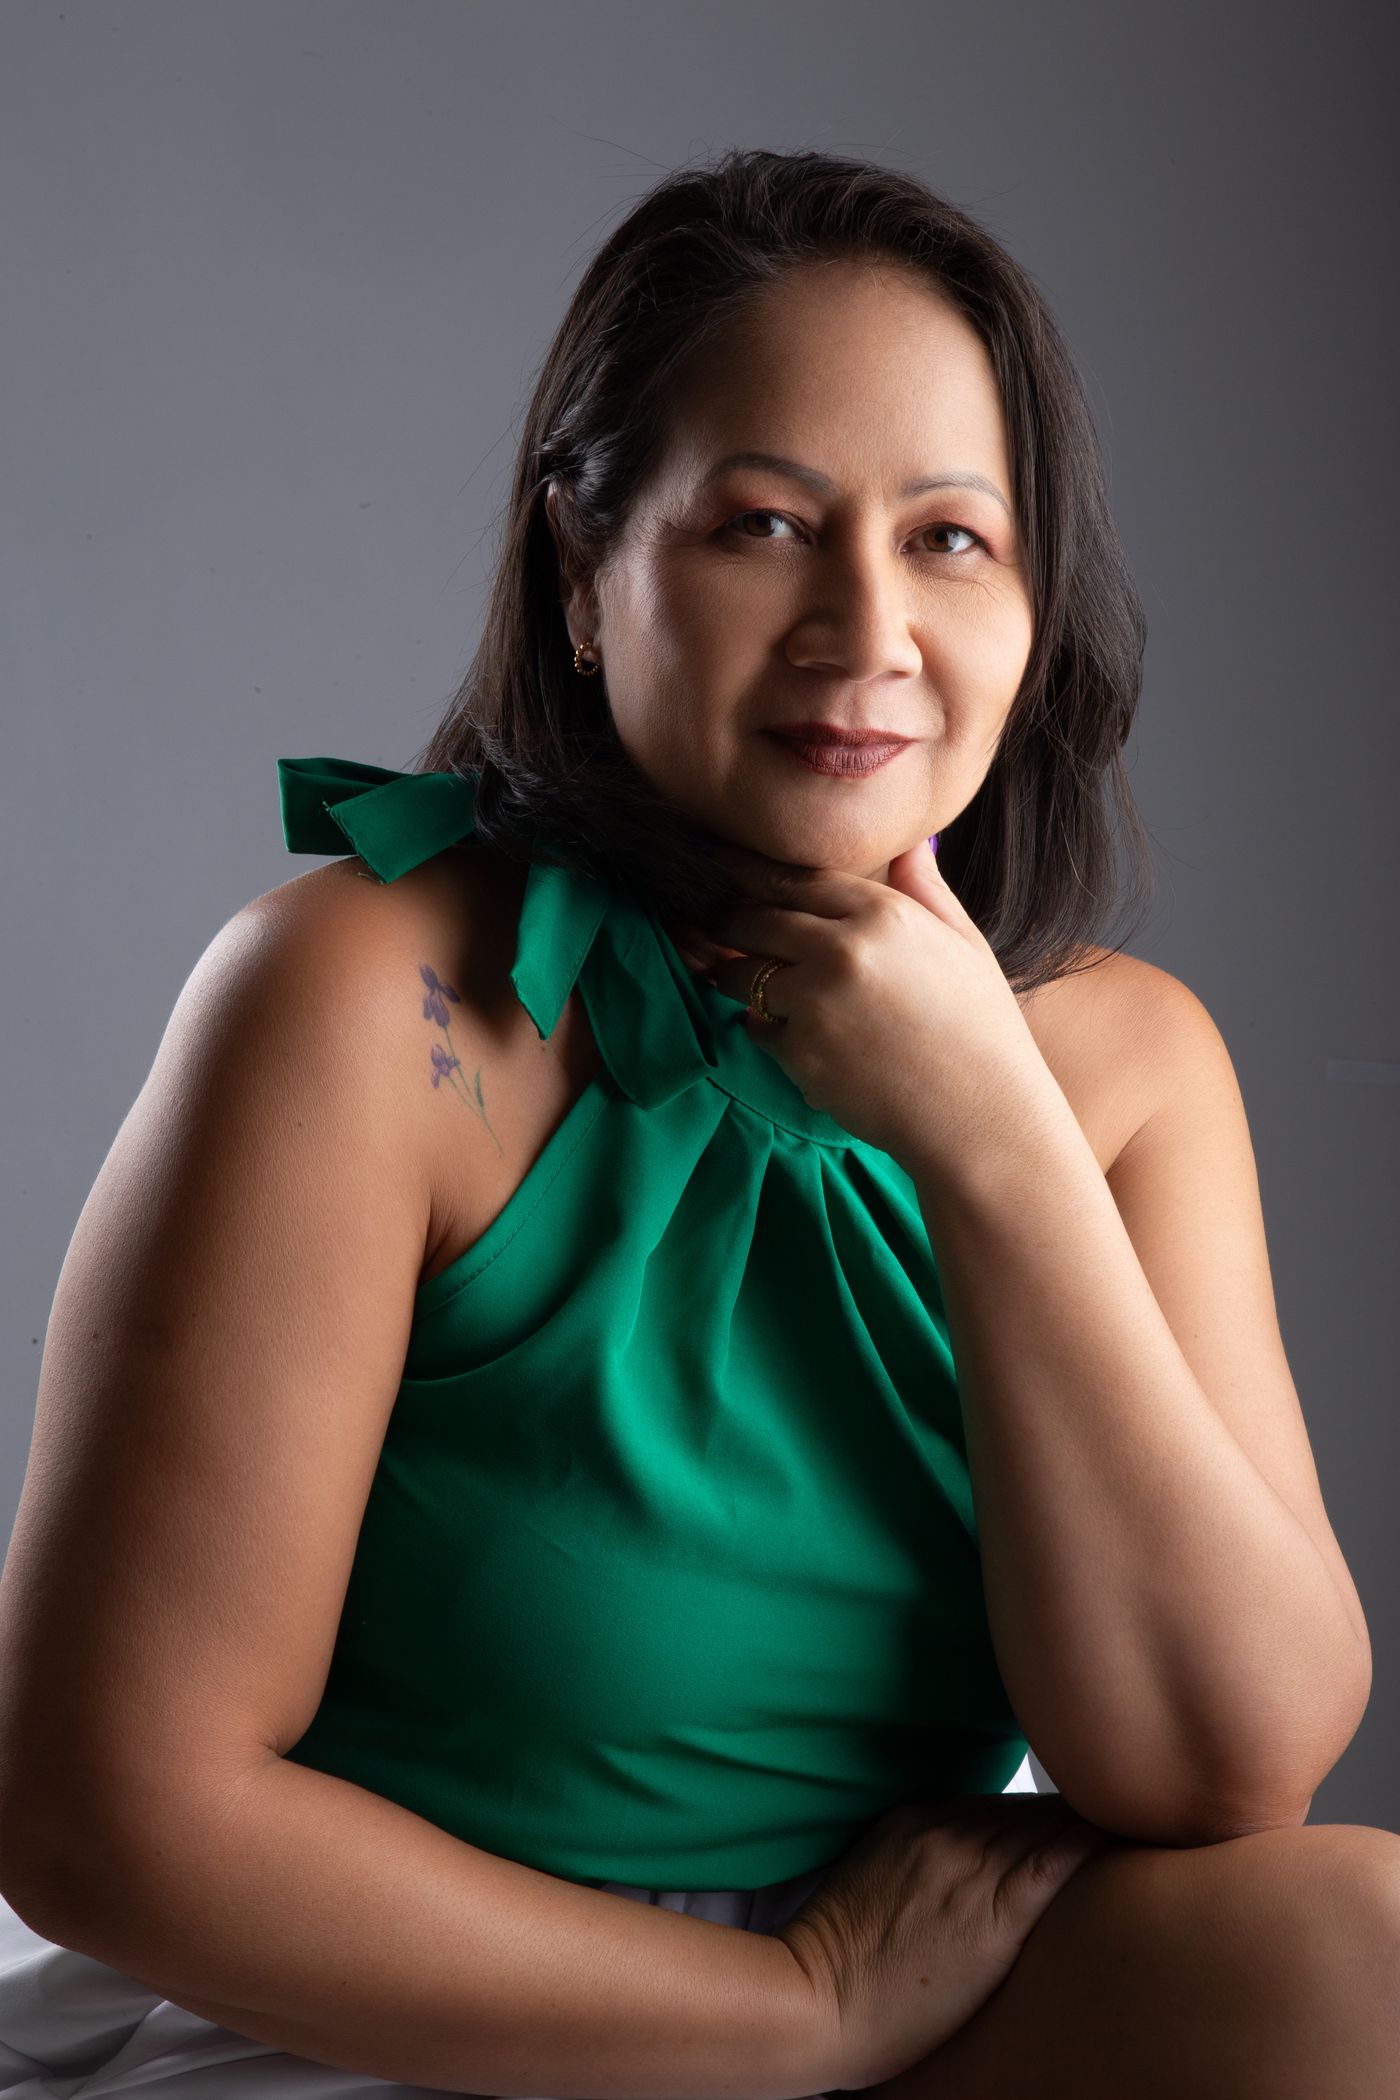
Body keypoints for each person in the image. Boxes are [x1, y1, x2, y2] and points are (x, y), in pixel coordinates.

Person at [0, 144, 1396, 2100]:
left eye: (949, 538)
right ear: (584, 575)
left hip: (902, 2015)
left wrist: (990, 1138)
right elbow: (104, 1819)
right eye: (763, 525)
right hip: (396, 2023)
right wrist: (798, 2014)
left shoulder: (1126, 1068)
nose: (865, 627)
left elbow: (1224, 1764)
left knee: (1355, 1955)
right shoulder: (369, 1007)